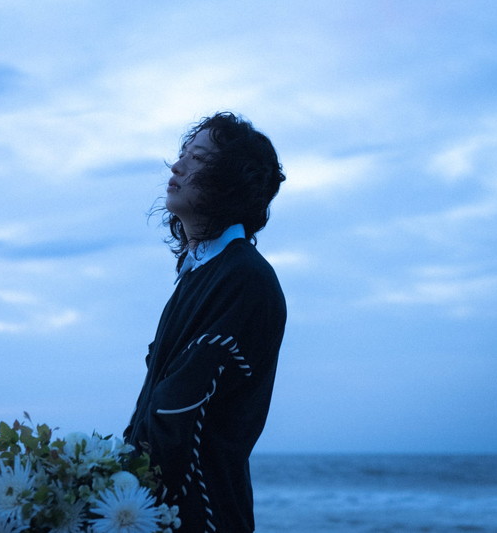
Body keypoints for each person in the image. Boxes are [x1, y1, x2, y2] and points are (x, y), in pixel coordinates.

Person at [124, 112, 287, 532]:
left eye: (197, 158)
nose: (177, 167)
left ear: (231, 180)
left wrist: (123, 492)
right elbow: (154, 405)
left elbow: (178, 406)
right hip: (162, 510)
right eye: (183, 154)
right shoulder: (199, 273)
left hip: (201, 514)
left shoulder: (244, 277)